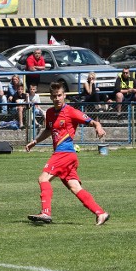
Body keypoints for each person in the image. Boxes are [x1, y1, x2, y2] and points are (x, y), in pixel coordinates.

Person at [25, 82, 109, 226]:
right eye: (54, 96)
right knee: (75, 187)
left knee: (43, 178)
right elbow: (48, 130)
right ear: (51, 97)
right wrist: (35, 141)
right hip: (65, 156)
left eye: (59, 95)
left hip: (64, 153)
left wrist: (99, 127)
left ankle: (46, 212)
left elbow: (93, 122)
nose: (57, 98)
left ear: (64, 96)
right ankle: (100, 213)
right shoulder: (50, 113)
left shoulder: (71, 111)